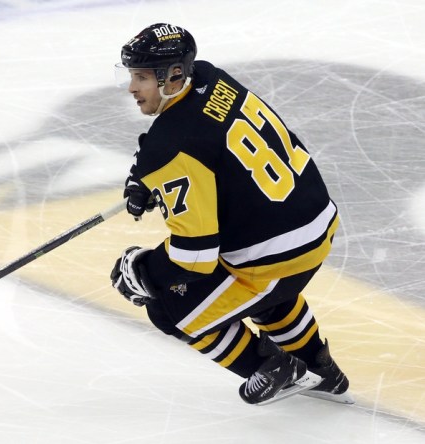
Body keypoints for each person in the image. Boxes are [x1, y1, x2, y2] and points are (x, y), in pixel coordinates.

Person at [109, 23, 353, 405]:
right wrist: (146, 174)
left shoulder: (169, 147)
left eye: (141, 77)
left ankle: (270, 368)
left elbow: (196, 257)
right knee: (265, 294)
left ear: (173, 76)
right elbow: (206, 142)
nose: (132, 88)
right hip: (317, 223)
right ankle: (322, 370)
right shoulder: (210, 77)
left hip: (276, 257)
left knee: (167, 306)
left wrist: (142, 271)